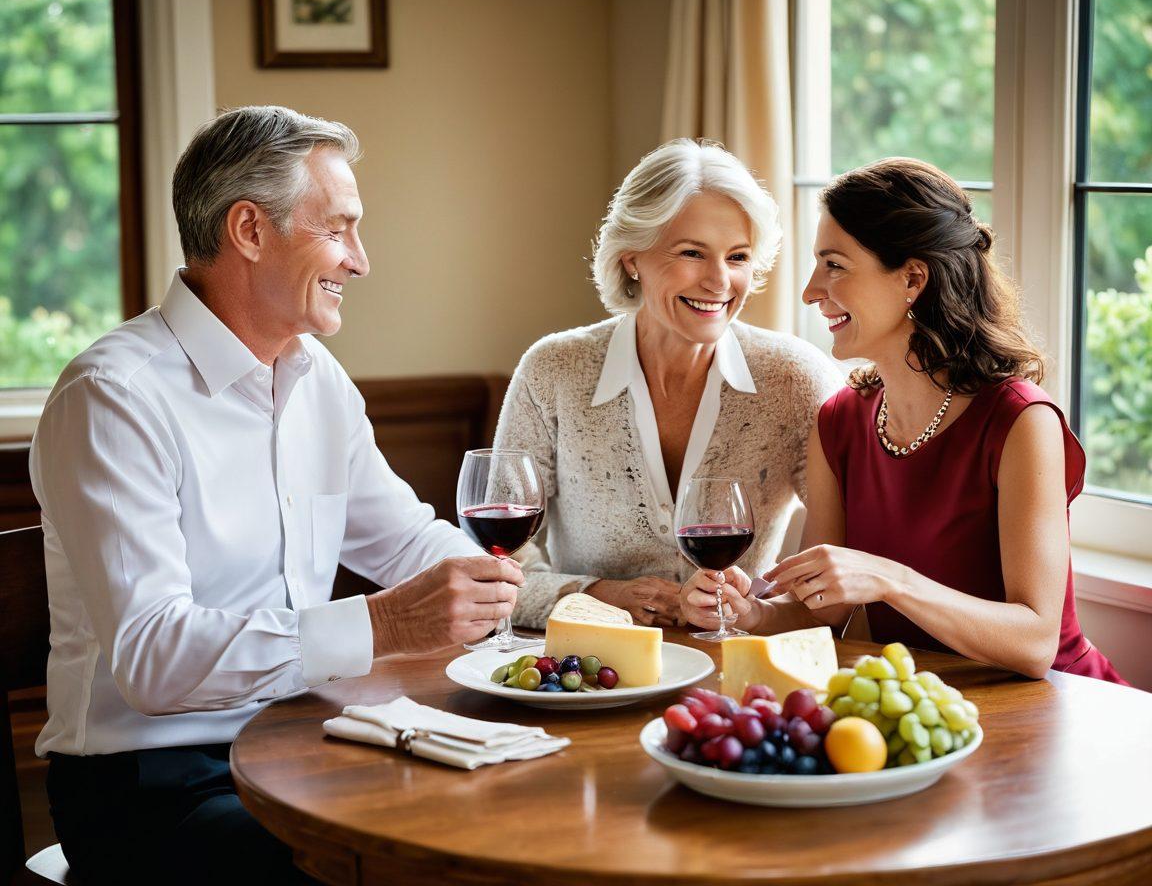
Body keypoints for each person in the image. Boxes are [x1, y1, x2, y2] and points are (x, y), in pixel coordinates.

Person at [29, 105, 523, 885]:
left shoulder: (317, 378)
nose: (360, 261)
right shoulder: (113, 396)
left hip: (305, 742)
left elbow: (404, 540)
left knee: (501, 822)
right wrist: (386, 623)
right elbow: (154, 658)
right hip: (152, 787)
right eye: (339, 229)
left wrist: (511, 597)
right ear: (250, 230)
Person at [681, 157, 1127, 684]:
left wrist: (890, 580)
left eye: (834, 265)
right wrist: (751, 612)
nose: (811, 290)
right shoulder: (839, 422)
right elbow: (821, 610)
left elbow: (1035, 643)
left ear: (913, 278)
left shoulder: (1019, 420)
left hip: (1059, 703)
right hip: (926, 699)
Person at [493, 138, 841, 629]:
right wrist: (598, 596)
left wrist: (755, 609)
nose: (719, 281)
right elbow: (498, 565)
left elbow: (840, 559)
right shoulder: (553, 371)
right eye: (692, 253)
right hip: (592, 665)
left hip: (737, 662)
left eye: (738, 257)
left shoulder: (795, 378)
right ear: (631, 257)